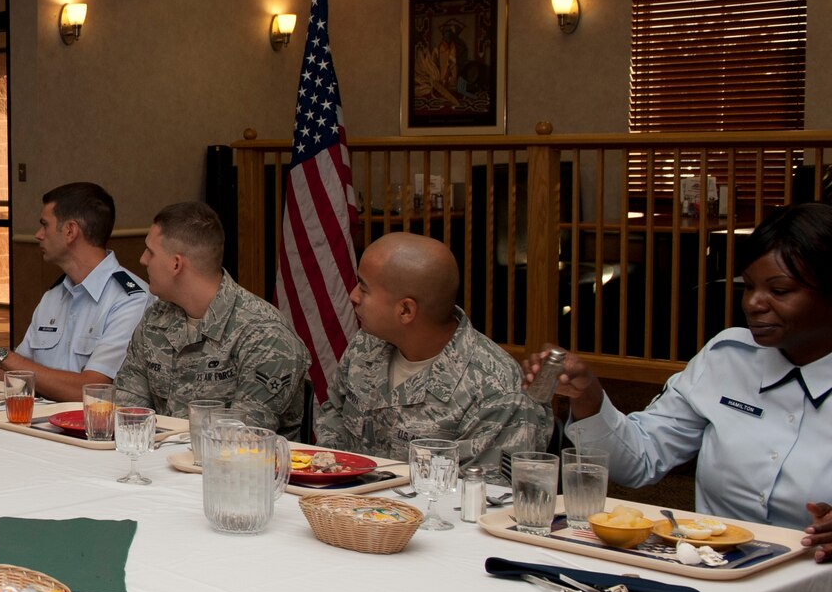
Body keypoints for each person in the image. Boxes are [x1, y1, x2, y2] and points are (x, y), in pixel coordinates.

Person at [527, 201, 832, 550]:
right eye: (748, 286)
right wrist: (588, 397)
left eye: (779, 291)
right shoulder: (727, 359)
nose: (753, 303)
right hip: (716, 569)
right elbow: (640, 460)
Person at [318, 232, 549, 470]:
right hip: (343, 502)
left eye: (364, 288)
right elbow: (333, 414)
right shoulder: (366, 345)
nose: (353, 296)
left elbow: (488, 495)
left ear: (405, 311)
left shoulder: (495, 389)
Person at [0, 182, 148, 404]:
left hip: (90, 431)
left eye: (44, 225)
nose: (38, 235)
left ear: (70, 231)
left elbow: (90, 392)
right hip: (39, 422)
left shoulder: (130, 300)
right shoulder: (55, 296)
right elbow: (18, 373)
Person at [112, 201, 310, 436]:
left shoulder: (264, 334)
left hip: (238, 469)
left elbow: (244, 438)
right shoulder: (156, 319)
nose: (143, 260)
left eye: (150, 252)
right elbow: (127, 413)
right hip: (157, 463)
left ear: (176, 264)